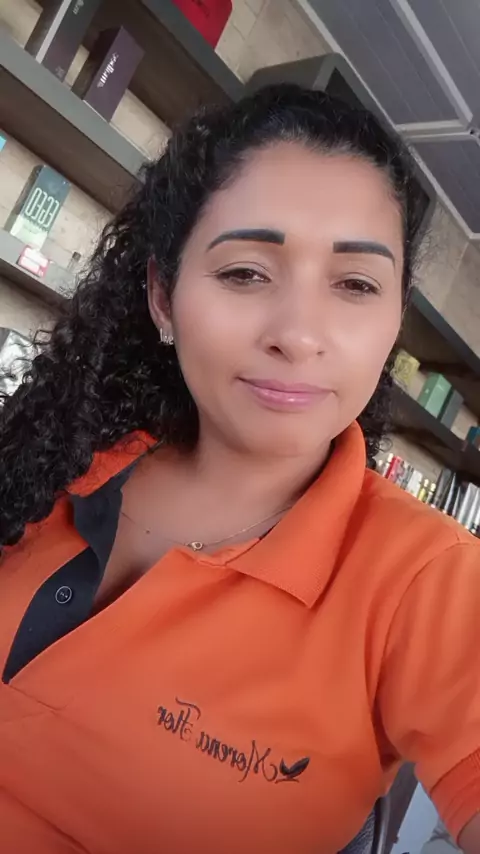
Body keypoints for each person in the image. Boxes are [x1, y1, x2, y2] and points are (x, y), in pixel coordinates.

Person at [0, 83, 479, 854]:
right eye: (246, 273)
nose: (299, 335)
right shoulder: (61, 454)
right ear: (163, 298)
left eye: (355, 284)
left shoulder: (428, 579)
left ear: (394, 320)